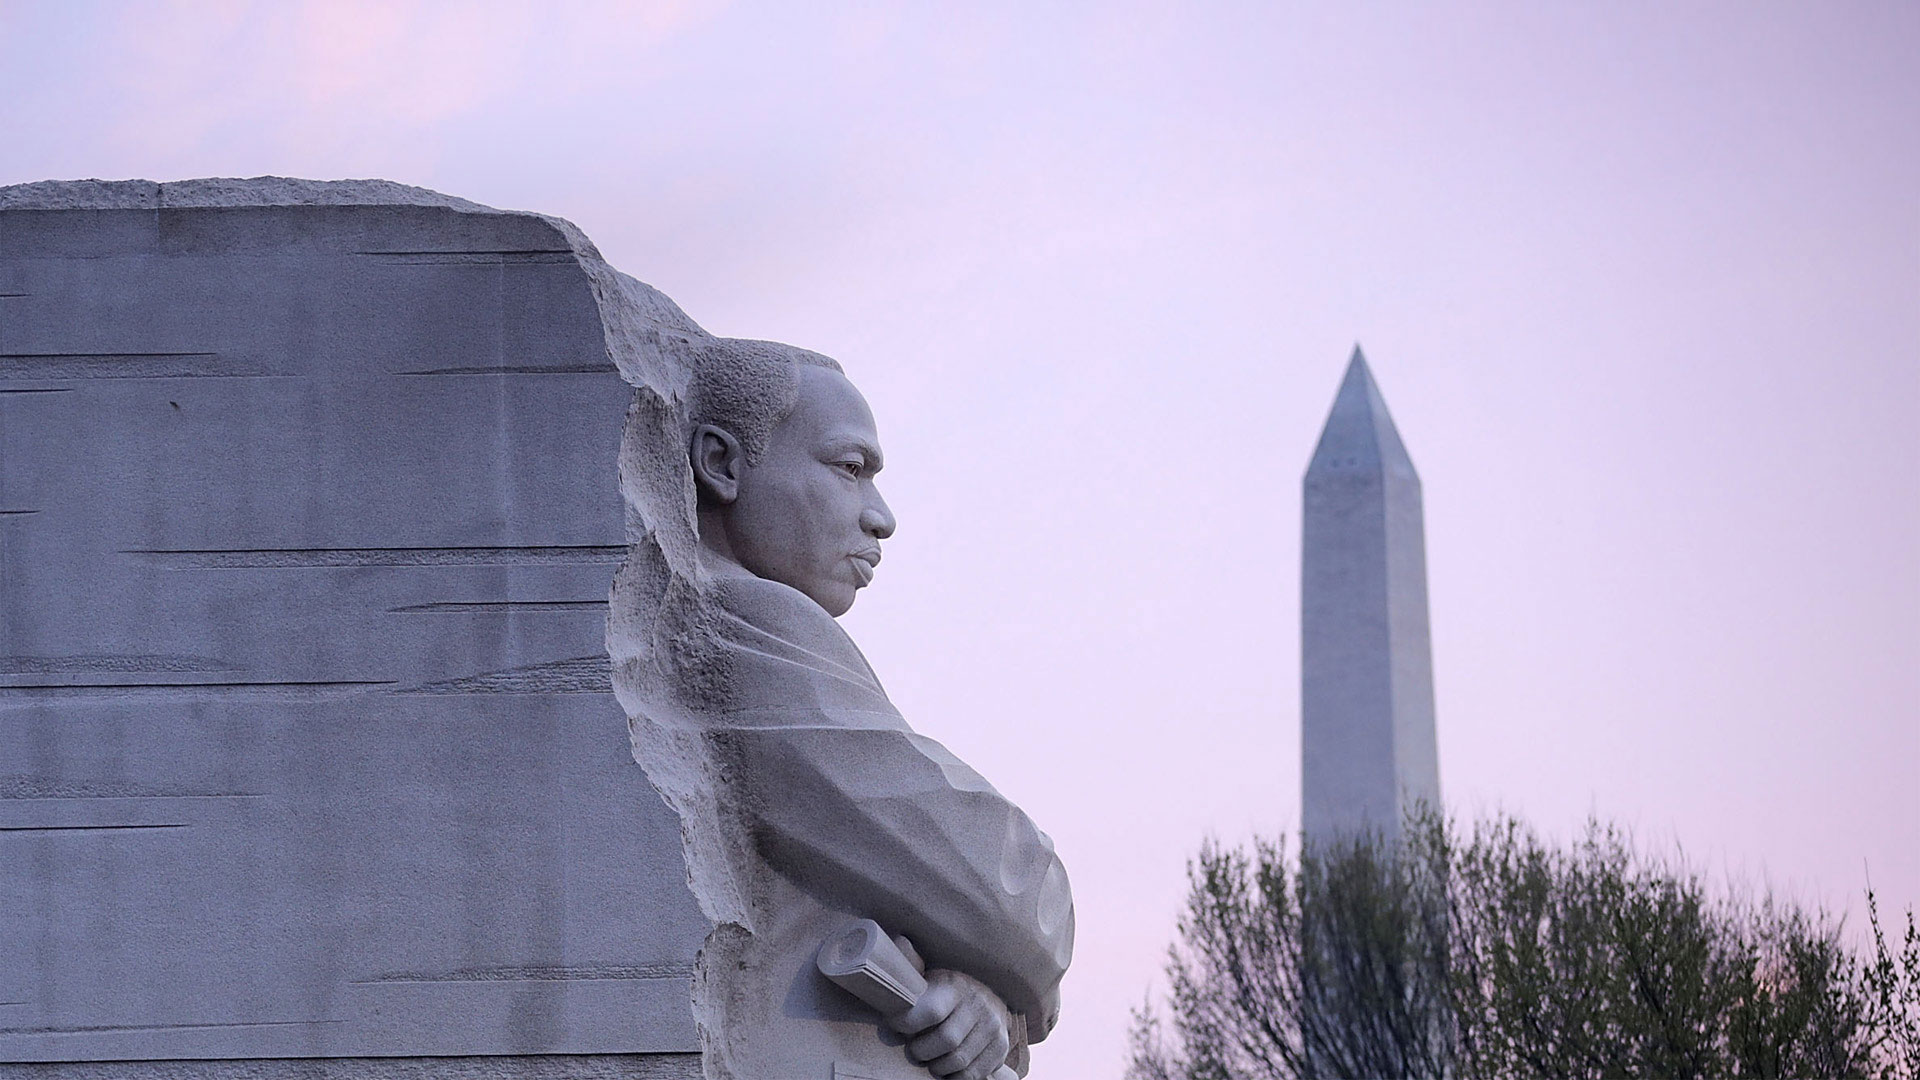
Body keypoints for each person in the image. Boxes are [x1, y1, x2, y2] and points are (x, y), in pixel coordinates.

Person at [615, 333, 1073, 1080]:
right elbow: (1004, 892)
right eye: (849, 469)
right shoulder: (740, 618)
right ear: (722, 465)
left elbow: (945, 902)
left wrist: (996, 1003)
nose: (880, 517)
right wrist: (1015, 955)